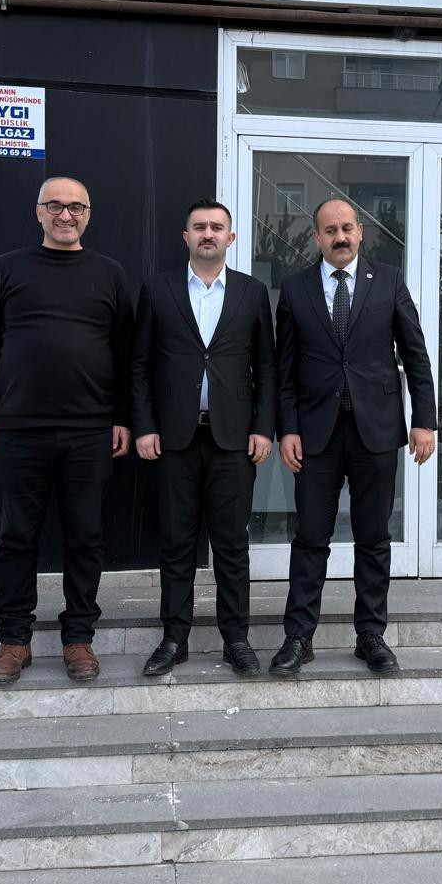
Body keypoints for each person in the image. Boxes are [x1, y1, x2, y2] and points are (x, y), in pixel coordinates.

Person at [0, 176, 132, 685]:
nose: (66, 215)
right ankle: (14, 641)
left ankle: (78, 637)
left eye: (76, 207)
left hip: (90, 431)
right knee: (16, 537)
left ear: (88, 215)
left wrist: (122, 417)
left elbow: (126, 354)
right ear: (38, 212)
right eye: (55, 206)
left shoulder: (109, 274)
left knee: (85, 538)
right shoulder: (8, 268)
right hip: (19, 430)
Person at [270, 198, 437, 677]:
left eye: (347, 228)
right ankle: (299, 637)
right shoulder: (296, 289)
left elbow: (415, 353)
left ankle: (371, 636)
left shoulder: (388, 281)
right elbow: (284, 370)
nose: (340, 237)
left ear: (360, 231)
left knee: (373, 537)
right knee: (310, 538)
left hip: (376, 432)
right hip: (316, 436)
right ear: (316, 237)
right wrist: (288, 429)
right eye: (330, 230)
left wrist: (423, 420)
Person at [131, 199, 276, 676]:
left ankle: (237, 639)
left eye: (217, 227)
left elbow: (267, 368)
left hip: (233, 440)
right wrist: (145, 425)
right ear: (186, 236)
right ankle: (175, 638)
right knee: (176, 544)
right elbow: (139, 364)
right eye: (199, 227)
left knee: (232, 545)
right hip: (174, 439)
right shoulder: (158, 289)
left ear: (231, 238)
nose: (208, 233)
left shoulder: (253, 293)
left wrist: (263, 427)